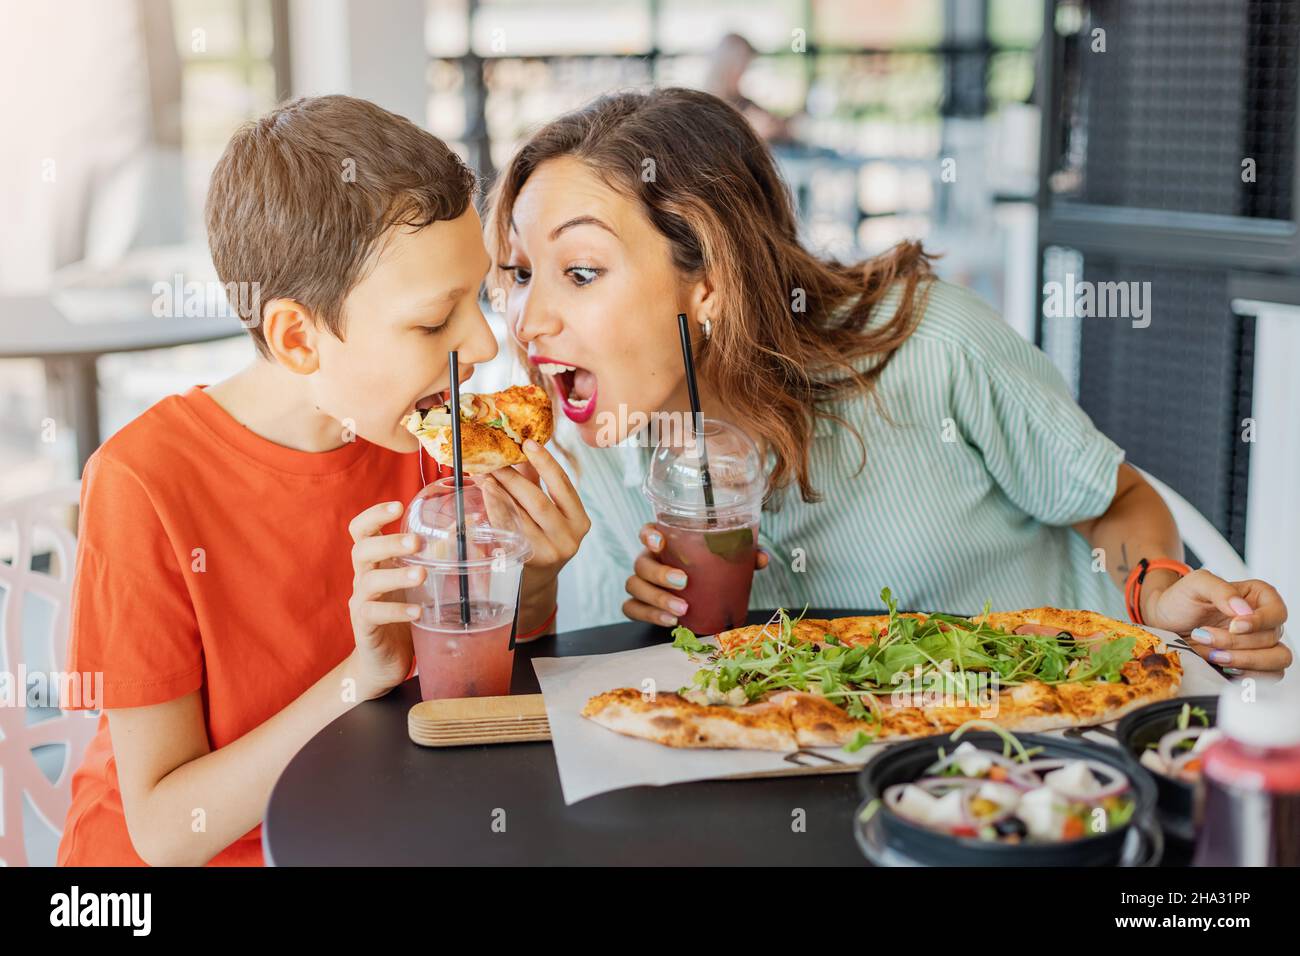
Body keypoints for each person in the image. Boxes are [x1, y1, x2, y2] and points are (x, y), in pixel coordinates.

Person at [485, 87, 1290, 678]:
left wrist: (1157, 587)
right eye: (520, 273)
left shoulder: (932, 347)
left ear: (711, 282)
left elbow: (1114, 502)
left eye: (581, 271)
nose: (528, 322)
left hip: (1045, 733)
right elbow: (597, 688)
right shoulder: (580, 455)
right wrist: (571, 596)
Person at [57, 95, 589, 866]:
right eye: (435, 322)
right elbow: (166, 833)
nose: (481, 345)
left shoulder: (436, 446)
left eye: (478, 298)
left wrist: (534, 583)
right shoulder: (144, 481)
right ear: (299, 338)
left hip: (374, 829)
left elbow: (473, 705)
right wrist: (361, 673)